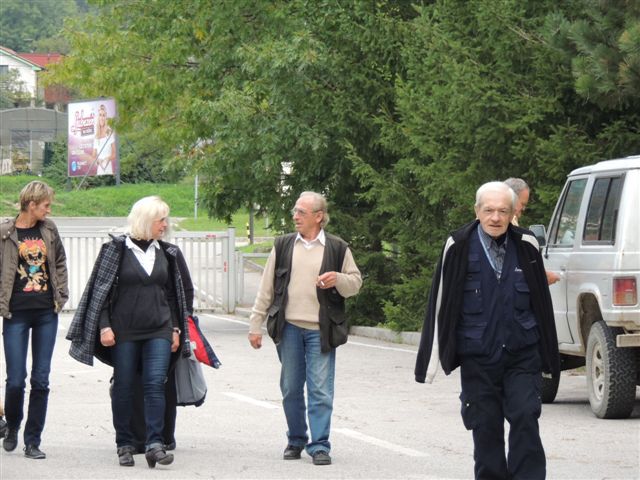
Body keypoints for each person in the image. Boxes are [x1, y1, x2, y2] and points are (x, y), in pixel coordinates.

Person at [415, 181, 560, 480]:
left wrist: (550, 357)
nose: (496, 217)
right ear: (477, 211)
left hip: (522, 355)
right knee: (485, 429)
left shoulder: (527, 244)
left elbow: (542, 306)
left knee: (524, 418)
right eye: (489, 210)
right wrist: (430, 362)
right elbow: (440, 301)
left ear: (512, 212)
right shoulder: (458, 246)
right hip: (478, 358)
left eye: (503, 211)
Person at [66, 196, 193, 469]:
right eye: (161, 220)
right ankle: (124, 443)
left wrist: (174, 329)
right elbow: (99, 293)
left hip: (159, 329)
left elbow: (172, 296)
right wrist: (104, 326)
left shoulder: (166, 253)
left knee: (155, 385)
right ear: (147, 220)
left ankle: (155, 444)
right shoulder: (115, 250)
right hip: (123, 332)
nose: (165, 225)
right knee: (123, 386)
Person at [248, 191, 362, 466]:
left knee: (320, 389)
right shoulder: (284, 245)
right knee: (290, 387)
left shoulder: (337, 247)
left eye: (301, 212)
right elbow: (266, 289)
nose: (295, 216)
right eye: (295, 211)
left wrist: (338, 279)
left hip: (321, 330)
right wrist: (255, 324)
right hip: (288, 328)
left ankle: (320, 445)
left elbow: (355, 283)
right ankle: (296, 439)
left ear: (319, 216)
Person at [0, 180, 69, 459]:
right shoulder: (6, 232)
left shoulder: (49, 230)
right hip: (15, 313)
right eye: (45, 205)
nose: (49, 210)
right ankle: (13, 425)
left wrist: (61, 293)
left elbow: (60, 261)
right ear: (31, 205)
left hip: (45, 313)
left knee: (41, 379)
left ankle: (33, 440)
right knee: (16, 379)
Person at [504, 178, 560, 285]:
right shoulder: (509, 222)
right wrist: (542, 278)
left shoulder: (482, 222)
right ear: (511, 199)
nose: (524, 209)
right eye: (523, 204)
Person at [91, 104, 116, 175]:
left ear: (105, 117)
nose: (101, 117)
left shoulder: (109, 132)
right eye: (100, 115)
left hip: (108, 168)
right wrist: (97, 160)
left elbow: (114, 153)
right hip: (100, 169)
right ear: (98, 117)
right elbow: (93, 155)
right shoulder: (96, 135)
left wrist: (108, 159)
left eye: (103, 115)